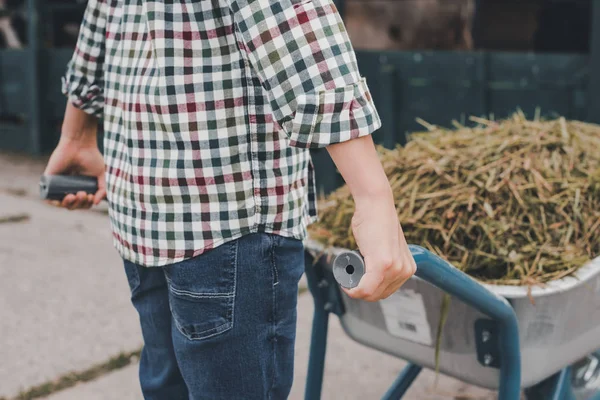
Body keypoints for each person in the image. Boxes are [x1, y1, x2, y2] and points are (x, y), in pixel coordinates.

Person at [44, 0, 416, 398]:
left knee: (166, 388)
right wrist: (372, 195)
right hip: (228, 219)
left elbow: (103, 13)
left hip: (142, 206)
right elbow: (292, 23)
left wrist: (76, 134)